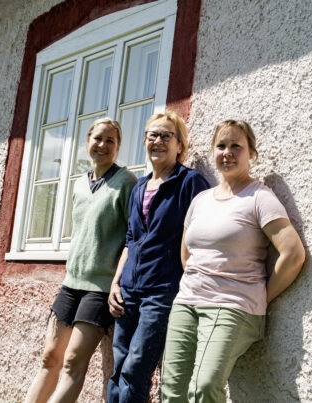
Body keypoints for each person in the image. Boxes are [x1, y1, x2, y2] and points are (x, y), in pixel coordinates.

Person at [160, 120, 306, 402]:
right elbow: (187, 253)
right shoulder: (201, 200)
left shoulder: (259, 197)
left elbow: (293, 254)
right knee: (171, 388)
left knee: (204, 386)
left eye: (236, 146)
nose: (227, 152)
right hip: (186, 303)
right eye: (221, 146)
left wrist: (261, 296)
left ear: (251, 153)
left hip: (232, 306)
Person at [24, 118, 137, 403]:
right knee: (50, 357)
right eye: (98, 138)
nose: (103, 145)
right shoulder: (79, 184)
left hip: (100, 288)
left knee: (73, 361)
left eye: (110, 141)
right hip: (71, 283)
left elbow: (132, 237)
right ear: (88, 141)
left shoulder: (126, 182)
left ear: (118, 147)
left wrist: (117, 281)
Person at [107, 111, 210, 403]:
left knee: (135, 370)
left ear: (180, 146)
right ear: (145, 141)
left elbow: (203, 236)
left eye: (166, 136)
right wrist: (116, 283)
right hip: (128, 291)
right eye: (152, 135)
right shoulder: (139, 187)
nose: (158, 141)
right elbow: (131, 240)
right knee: (119, 369)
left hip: (162, 293)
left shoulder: (190, 182)